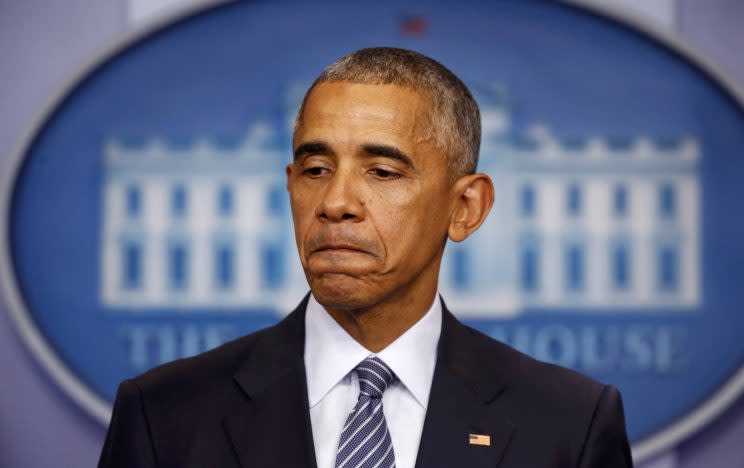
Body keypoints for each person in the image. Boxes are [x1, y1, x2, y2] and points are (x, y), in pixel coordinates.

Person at [98, 47, 633, 468]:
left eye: (382, 171)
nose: (334, 203)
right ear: (291, 188)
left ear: (466, 207)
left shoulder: (569, 422)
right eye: (315, 170)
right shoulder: (163, 414)